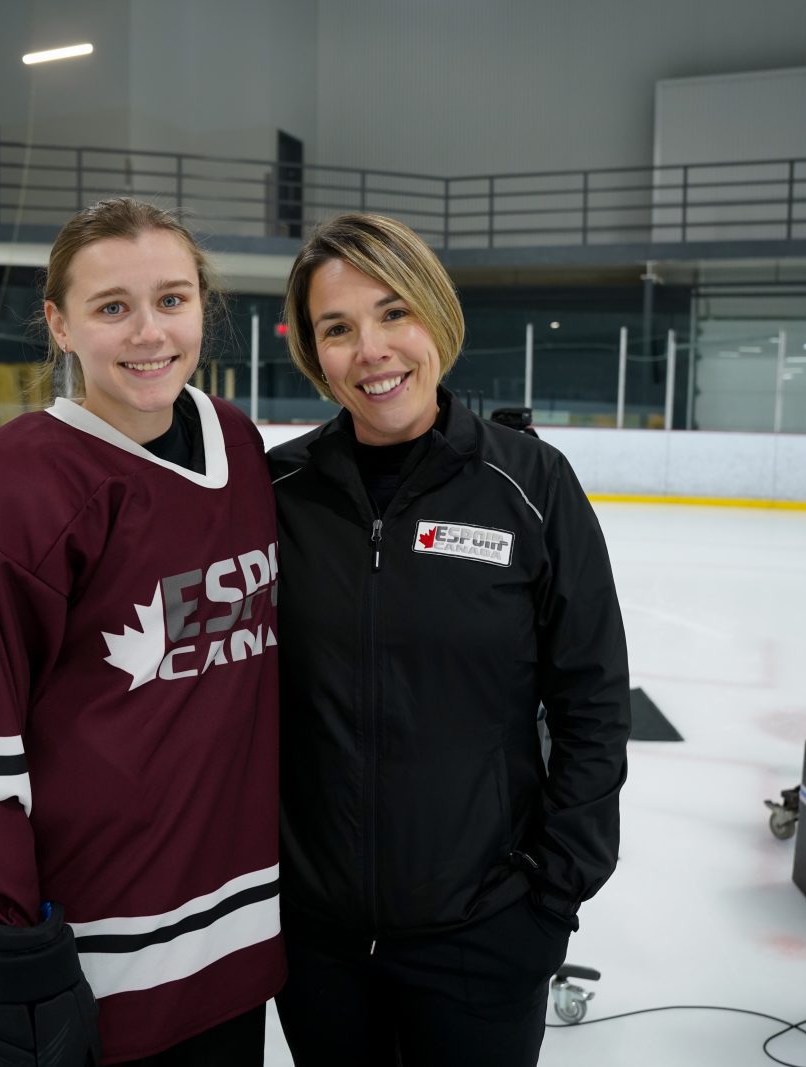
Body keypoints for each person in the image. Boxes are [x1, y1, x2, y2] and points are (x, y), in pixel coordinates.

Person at [0, 198, 283, 1066]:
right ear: (59, 324)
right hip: (95, 964)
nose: (149, 331)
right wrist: (3, 963)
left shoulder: (241, 446)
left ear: (204, 307)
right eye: (112, 307)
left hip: (241, 947)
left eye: (173, 299)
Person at [268, 213, 630, 1066]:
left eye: (394, 313)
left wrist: (548, 896)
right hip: (316, 946)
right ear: (315, 352)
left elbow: (592, 700)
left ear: (436, 315)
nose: (372, 350)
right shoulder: (277, 492)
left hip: (484, 937)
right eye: (338, 327)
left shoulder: (531, 484)